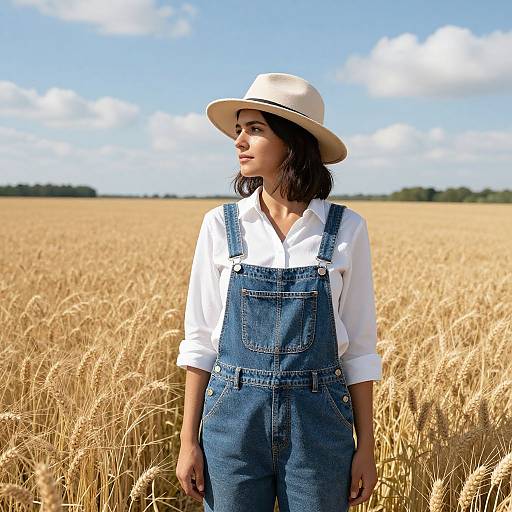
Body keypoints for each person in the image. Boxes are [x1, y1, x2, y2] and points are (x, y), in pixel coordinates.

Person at [175, 72, 382, 511]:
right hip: (231, 419)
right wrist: (187, 441)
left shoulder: (346, 229)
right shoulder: (220, 225)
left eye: (255, 129)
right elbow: (199, 344)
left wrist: (366, 446)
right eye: (238, 130)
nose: (239, 141)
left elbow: (360, 350)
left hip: (319, 422)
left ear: (293, 140)